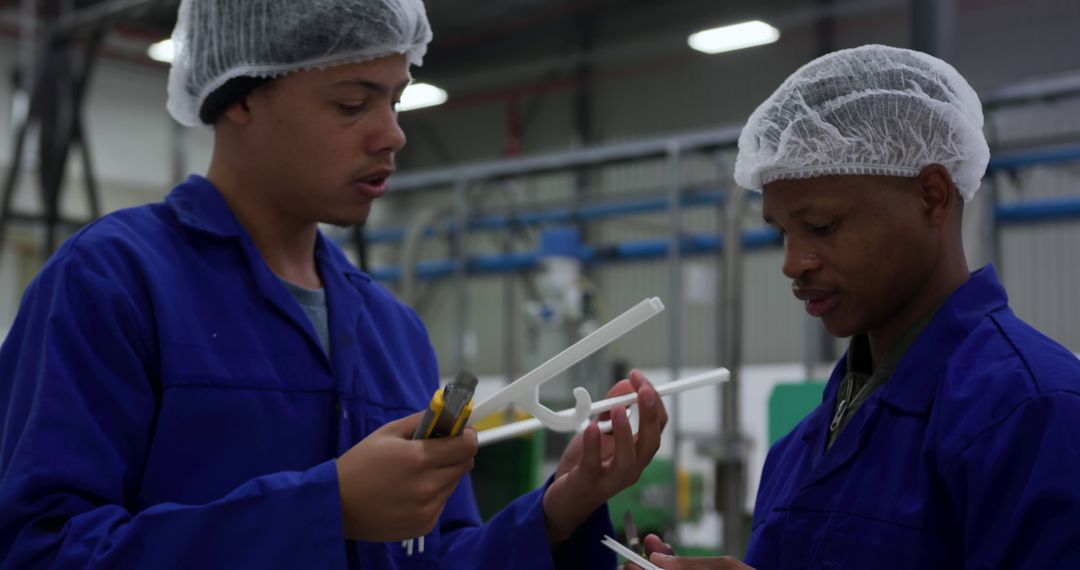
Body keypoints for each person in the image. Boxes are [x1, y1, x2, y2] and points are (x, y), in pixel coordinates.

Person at [0, 0, 668, 568]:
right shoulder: (114, 283)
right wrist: (326, 508)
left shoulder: (391, 330)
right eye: (352, 103)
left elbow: (435, 555)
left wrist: (557, 511)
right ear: (239, 98)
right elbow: (40, 549)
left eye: (396, 99)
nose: (393, 134)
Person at [630, 44, 1080, 569]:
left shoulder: (1034, 412)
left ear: (932, 196)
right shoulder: (798, 451)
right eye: (782, 233)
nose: (793, 263)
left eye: (822, 227)